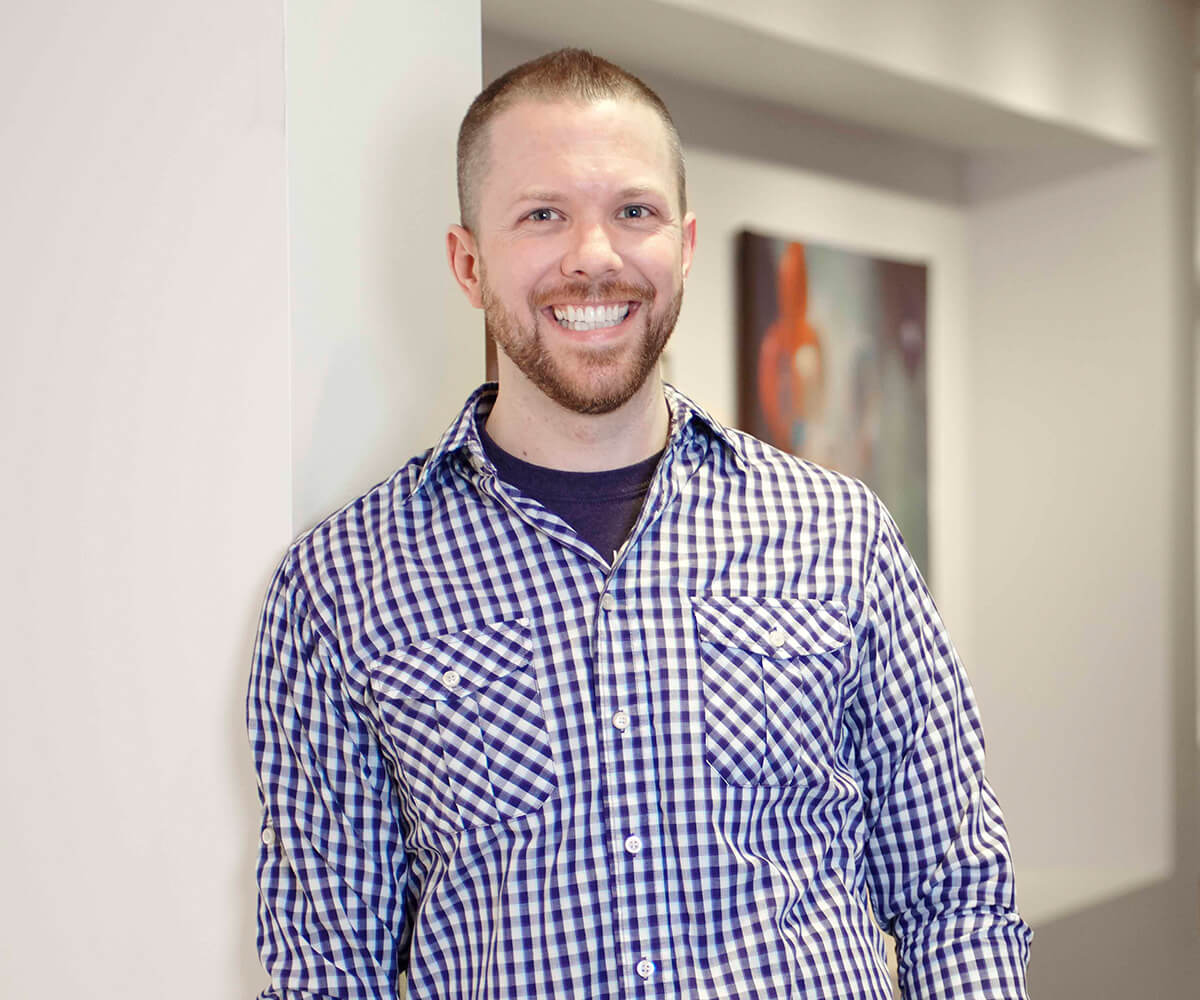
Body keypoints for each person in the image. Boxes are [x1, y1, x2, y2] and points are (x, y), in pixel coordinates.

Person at [247, 48, 1032, 1000]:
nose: (596, 255)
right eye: (543, 215)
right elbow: (329, 969)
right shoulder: (340, 584)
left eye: (634, 211)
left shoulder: (840, 536)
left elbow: (958, 896)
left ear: (685, 246)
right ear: (468, 262)